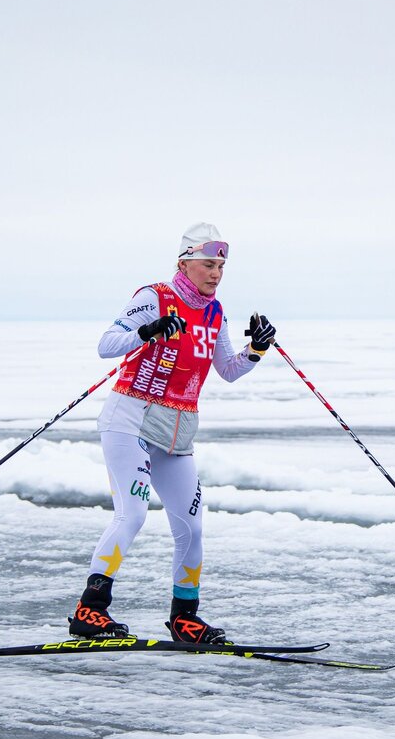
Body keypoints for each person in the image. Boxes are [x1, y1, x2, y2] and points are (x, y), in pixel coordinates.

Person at [68, 223, 277, 644]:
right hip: (131, 419)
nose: (216, 273)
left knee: (192, 526)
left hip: (178, 432)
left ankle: (185, 618)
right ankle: (89, 611)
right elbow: (107, 344)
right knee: (134, 513)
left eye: (221, 265)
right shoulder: (155, 297)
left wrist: (256, 350)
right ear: (184, 263)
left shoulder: (215, 312)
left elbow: (229, 370)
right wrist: (145, 332)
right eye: (207, 264)